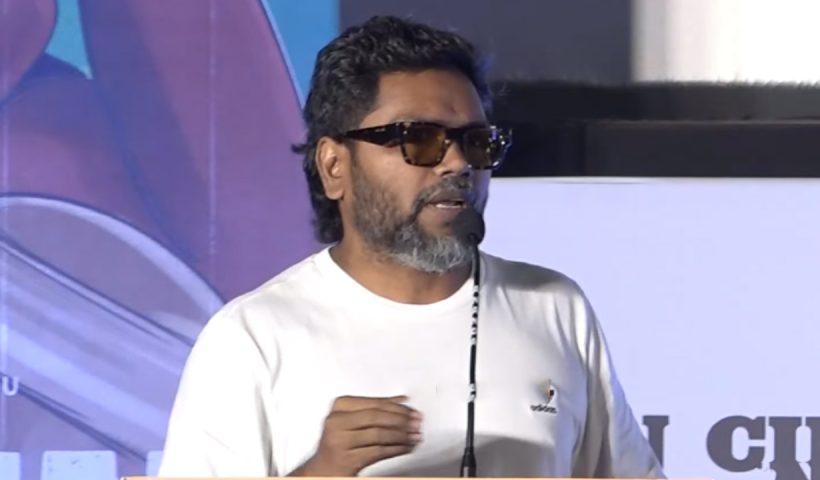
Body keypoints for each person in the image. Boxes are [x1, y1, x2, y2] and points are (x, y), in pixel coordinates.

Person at [158, 15, 664, 478]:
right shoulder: (252, 338)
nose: (457, 164)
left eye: (476, 142)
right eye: (419, 139)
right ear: (334, 166)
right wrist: (321, 472)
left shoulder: (554, 306)